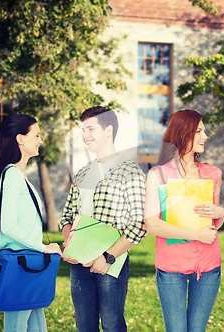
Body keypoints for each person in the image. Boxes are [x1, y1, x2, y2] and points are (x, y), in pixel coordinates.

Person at [59, 106, 146, 332]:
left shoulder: (129, 171)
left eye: (90, 129)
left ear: (108, 130)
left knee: (112, 325)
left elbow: (139, 224)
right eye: (83, 129)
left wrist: (107, 257)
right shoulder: (82, 172)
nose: (85, 135)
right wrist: (71, 245)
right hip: (79, 265)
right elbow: (66, 216)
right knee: (84, 326)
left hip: (110, 264)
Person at [143, 109, 224, 332]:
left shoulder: (212, 173)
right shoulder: (158, 175)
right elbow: (151, 224)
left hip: (208, 266)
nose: (205, 136)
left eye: (204, 131)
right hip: (172, 267)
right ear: (183, 133)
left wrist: (221, 213)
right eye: (199, 131)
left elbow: (214, 222)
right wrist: (195, 235)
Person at [0, 114, 62, 332]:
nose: (40, 140)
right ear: (20, 139)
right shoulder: (12, 175)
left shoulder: (19, 175)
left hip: (28, 266)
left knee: (38, 328)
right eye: (36, 135)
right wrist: (44, 247)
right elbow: (8, 226)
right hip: (21, 265)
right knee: (17, 327)